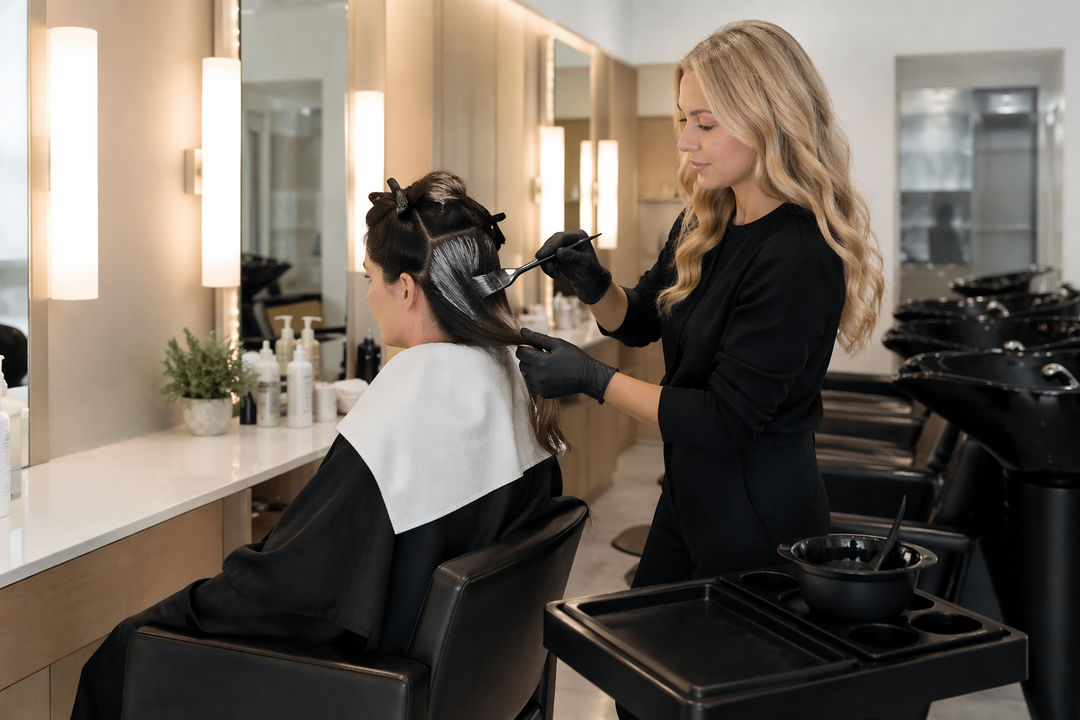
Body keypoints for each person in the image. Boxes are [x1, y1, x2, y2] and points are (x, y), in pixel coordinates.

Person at [72, 171, 570, 720]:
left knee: (124, 648)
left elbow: (293, 589)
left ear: (405, 289)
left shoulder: (411, 401)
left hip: (355, 686)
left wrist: (192, 606)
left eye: (370, 278)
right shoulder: (509, 379)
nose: (367, 294)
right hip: (461, 689)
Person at [517, 20, 884, 587]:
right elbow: (640, 321)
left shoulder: (798, 256)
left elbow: (725, 419)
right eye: (684, 120)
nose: (686, 142)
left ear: (770, 120)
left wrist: (592, 378)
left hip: (759, 516)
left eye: (705, 124)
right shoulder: (704, 220)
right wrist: (592, 282)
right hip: (688, 495)